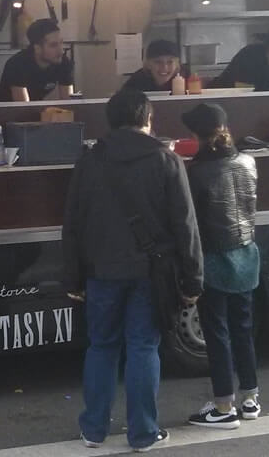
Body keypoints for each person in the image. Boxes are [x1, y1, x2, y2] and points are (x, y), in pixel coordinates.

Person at [63, 89, 203, 452]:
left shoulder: (89, 161)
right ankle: (142, 433)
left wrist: (73, 275)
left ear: (110, 121)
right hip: (150, 272)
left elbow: (73, 222)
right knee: (143, 347)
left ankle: (94, 430)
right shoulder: (166, 160)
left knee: (102, 347)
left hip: (101, 271)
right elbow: (185, 224)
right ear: (148, 119)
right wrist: (193, 278)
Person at [180, 103, 263, 430]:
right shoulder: (248, 161)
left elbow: (191, 222)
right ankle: (250, 399)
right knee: (243, 329)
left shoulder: (197, 172)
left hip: (215, 260)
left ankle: (223, 406)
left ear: (196, 134)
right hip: (247, 255)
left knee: (217, 335)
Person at [0, 18, 75, 102]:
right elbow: (23, 106)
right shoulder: (17, 64)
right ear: (37, 48)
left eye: (61, 43)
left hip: (32, 107)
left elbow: (68, 102)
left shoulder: (63, 62)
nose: (61, 50)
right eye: (53, 45)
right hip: (3, 109)